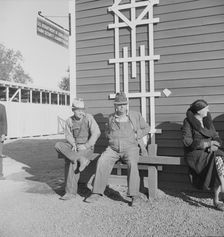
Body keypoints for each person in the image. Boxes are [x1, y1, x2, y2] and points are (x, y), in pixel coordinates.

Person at [86, 92, 150, 206]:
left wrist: (138, 135)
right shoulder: (111, 118)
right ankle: (96, 192)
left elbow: (146, 128)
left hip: (130, 148)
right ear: (115, 105)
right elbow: (107, 131)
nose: (121, 107)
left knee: (132, 164)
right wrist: (110, 137)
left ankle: (134, 195)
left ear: (127, 105)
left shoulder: (135, 116)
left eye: (123, 104)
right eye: (118, 104)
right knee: (102, 161)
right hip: (113, 149)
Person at [182, 99, 224, 211]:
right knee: (217, 159)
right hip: (194, 152)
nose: (208, 110)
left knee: (219, 158)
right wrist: (208, 144)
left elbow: (215, 135)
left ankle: (218, 198)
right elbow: (187, 142)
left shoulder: (207, 120)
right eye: (206, 108)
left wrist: (217, 143)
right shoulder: (188, 122)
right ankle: (218, 198)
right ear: (199, 111)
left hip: (211, 150)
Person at [55, 98, 101, 200]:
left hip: (87, 148)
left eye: (82, 109)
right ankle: (79, 158)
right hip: (75, 147)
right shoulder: (69, 121)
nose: (81, 112)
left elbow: (96, 133)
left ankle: (70, 193)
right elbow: (68, 135)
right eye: (78, 110)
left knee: (72, 161)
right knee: (58, 145)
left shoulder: (88, 118)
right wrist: (73, 144)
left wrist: (86, 145)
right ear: (73, 110)